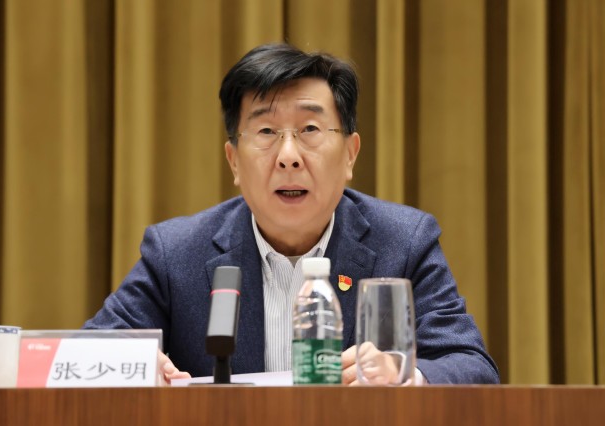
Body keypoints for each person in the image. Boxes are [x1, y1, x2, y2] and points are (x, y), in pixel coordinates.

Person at [84, 43, 499, 385]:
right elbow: (88, 352)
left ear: (350, 154)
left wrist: (407, 376)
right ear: (233, 161)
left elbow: (471, 366)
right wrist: (133, 365)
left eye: (310, 130)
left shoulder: (404, 242)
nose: (288, 156)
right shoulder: (177, 254)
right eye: (266, 131)